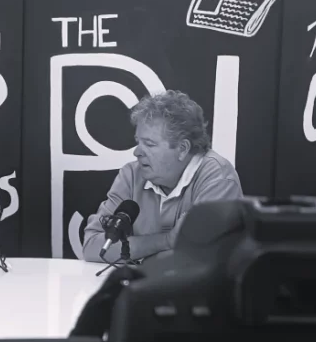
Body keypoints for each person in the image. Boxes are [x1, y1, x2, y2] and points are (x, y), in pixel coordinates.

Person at [82, 90, 242, 264]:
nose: (137, 152)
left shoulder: (218, 178)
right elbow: (93, 247)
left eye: (149, 144)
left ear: (182, 149)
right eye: (138, 142)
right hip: (144, 281)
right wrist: (165, 241)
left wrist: (138, 250)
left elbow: (201, 258)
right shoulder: (131, 175)